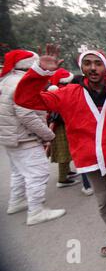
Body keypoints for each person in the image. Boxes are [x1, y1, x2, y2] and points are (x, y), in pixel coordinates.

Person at [14, 44, 106, 257]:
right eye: (87, 63)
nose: (93, 68)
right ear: (82, 67)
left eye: (98, 63)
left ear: (104, 67)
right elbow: (27, 99)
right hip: (89, 159)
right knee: (102, 201)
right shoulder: (68, 93)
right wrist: (41, 72)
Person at [0, 49, 66, 225]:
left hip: (10, 136)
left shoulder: (5, 80)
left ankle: (16, 201)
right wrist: (48, 135)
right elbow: (27, 115)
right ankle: (36, 211)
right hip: (24, 137)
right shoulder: (20, 83)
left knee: (19, 171)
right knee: (38, 173)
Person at [46, 68, 81, 189]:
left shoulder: (57, 90)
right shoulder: (59, 92)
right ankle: (62, 179)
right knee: (64, 152)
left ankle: (67, 172)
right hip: (60, 126)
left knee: (68, 150)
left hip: (62, 124)